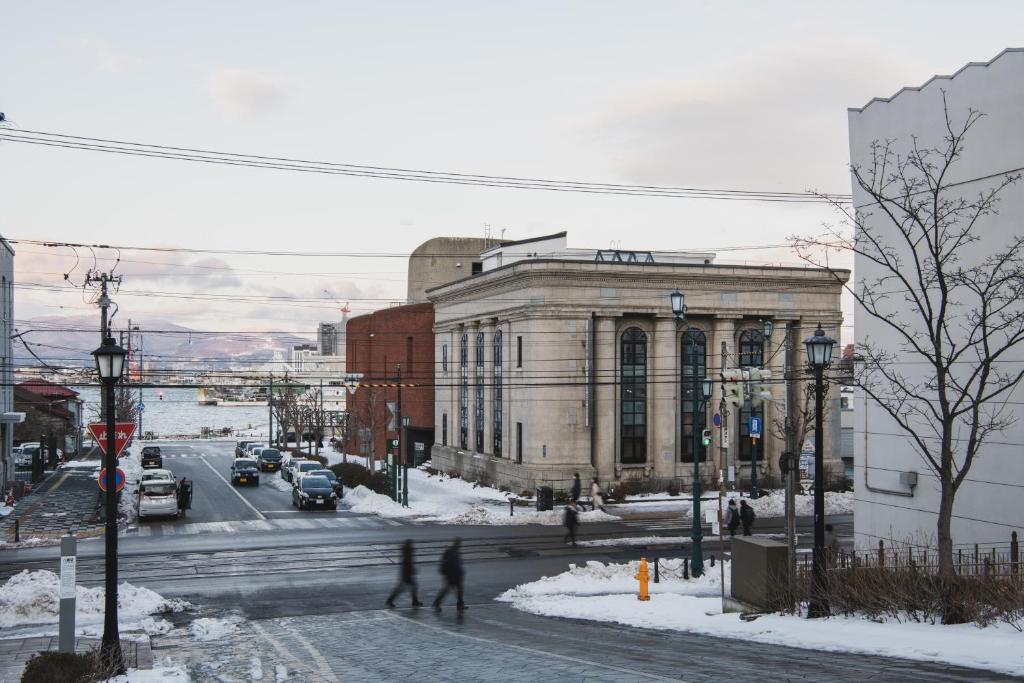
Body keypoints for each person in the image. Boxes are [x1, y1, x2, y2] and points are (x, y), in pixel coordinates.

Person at [386, 540, 423, 608]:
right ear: (409, 545)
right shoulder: (407, 553)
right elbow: (408, 564)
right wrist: (412, 571)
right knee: (408, 588)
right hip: (407, 574)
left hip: (406, 574)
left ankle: (390, 600)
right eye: (411, 544)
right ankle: (390, 601)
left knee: (406, 588)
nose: (413, 546)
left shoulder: (407, 552)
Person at [433, 537, 466, 611]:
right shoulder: (452, 550)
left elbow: (454, 562)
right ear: (457, 543)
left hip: (453, 574)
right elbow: (453, 563)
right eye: (459, 543)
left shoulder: (454, 550)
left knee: (457, 590)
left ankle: (460, 605)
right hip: (452, 574)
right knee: (449, 590)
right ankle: (436, 604)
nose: (460, 544)